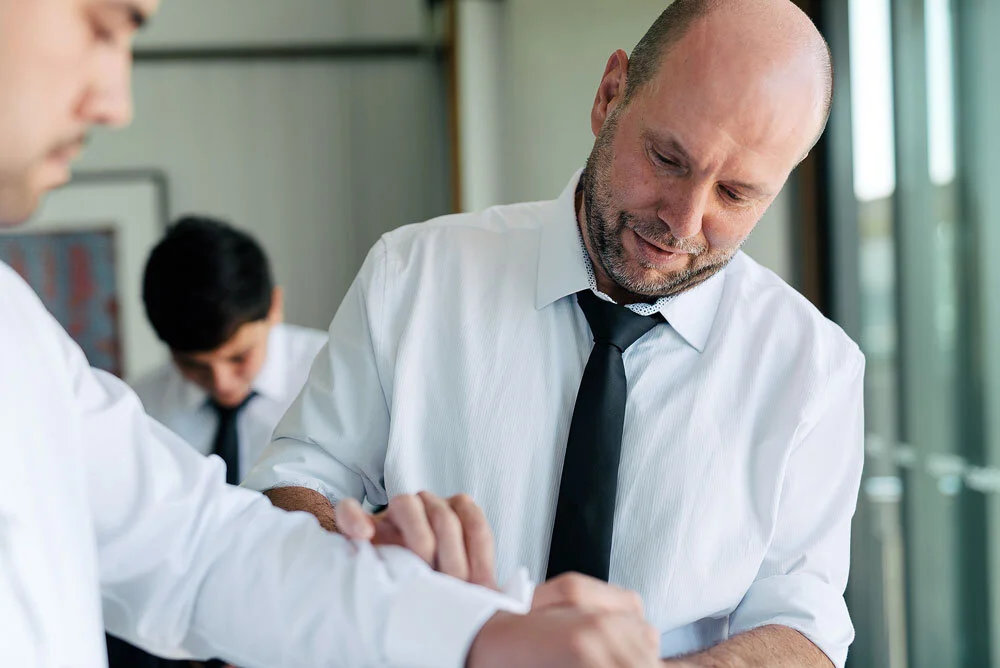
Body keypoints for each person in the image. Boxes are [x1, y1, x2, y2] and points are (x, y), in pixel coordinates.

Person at [0, 1, 663, 666]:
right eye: (100, 24)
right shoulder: (407, 271)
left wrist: (472, 631)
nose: (117, 103)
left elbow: (197, 550)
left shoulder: (19, 336)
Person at [245, 1, 863, 667]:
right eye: (667, 159)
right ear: (609, 97)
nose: (683, 222)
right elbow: (295, 483)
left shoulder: (814, 370)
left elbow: (806, 622)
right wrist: (363, 563)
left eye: (737, 195)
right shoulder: (414, 275)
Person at [134, 216, 327, 484]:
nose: (221, 384)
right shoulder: (140, 411)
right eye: (194, 365)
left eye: (238, 357)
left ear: (274, 306)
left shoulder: (340, 377)